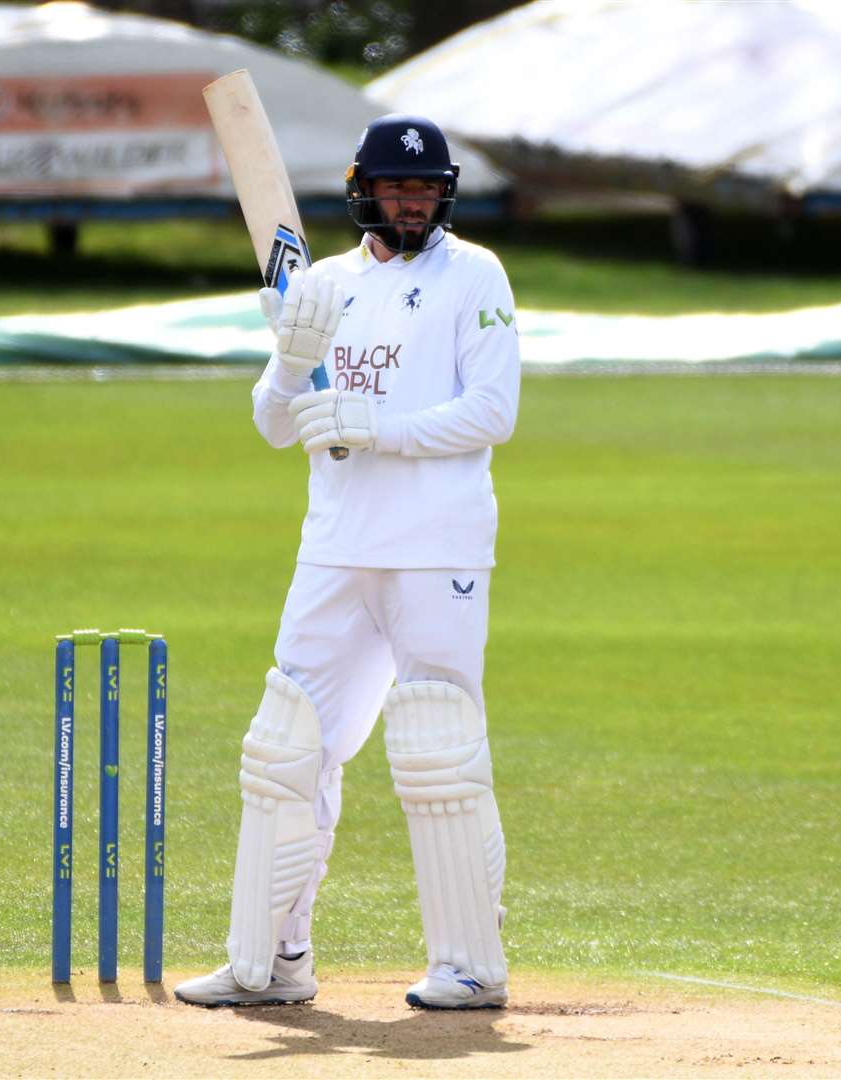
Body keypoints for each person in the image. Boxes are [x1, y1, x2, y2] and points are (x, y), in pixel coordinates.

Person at [173, 115, 521, 1010]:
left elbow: (493, 411)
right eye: (398, 188)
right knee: (288, 748)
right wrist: (290, 367)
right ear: (363, 187)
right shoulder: (322, 283)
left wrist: (377, 428)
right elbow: (273, 423)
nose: (413, 202)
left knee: (439, 744)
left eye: (427, 188)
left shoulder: (472, 273)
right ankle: (273, 962)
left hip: (436, 548)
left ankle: (469, 966)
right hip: (334, 551)